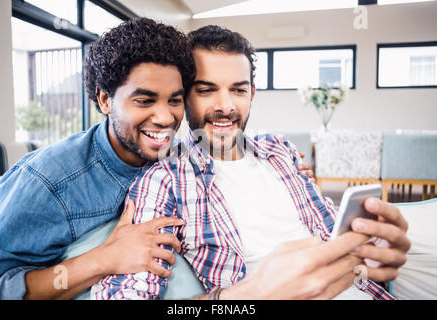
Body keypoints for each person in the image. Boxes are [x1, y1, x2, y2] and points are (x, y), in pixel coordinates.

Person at [92, 25, 411, 300]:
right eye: (206, 91)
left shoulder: (280, 150)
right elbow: (129, 291)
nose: (226, 106)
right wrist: (251, 294)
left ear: (252, 94)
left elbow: (328, 226)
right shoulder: (165, 177)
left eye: (238, 90)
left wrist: (376, 242)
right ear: (183, 95)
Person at [0, 17, 194, 300]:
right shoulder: (46, 181)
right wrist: (104, 259)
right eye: (144, 101)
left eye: (174, 100)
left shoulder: (183, 164)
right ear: (105, 100)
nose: (165, 118)